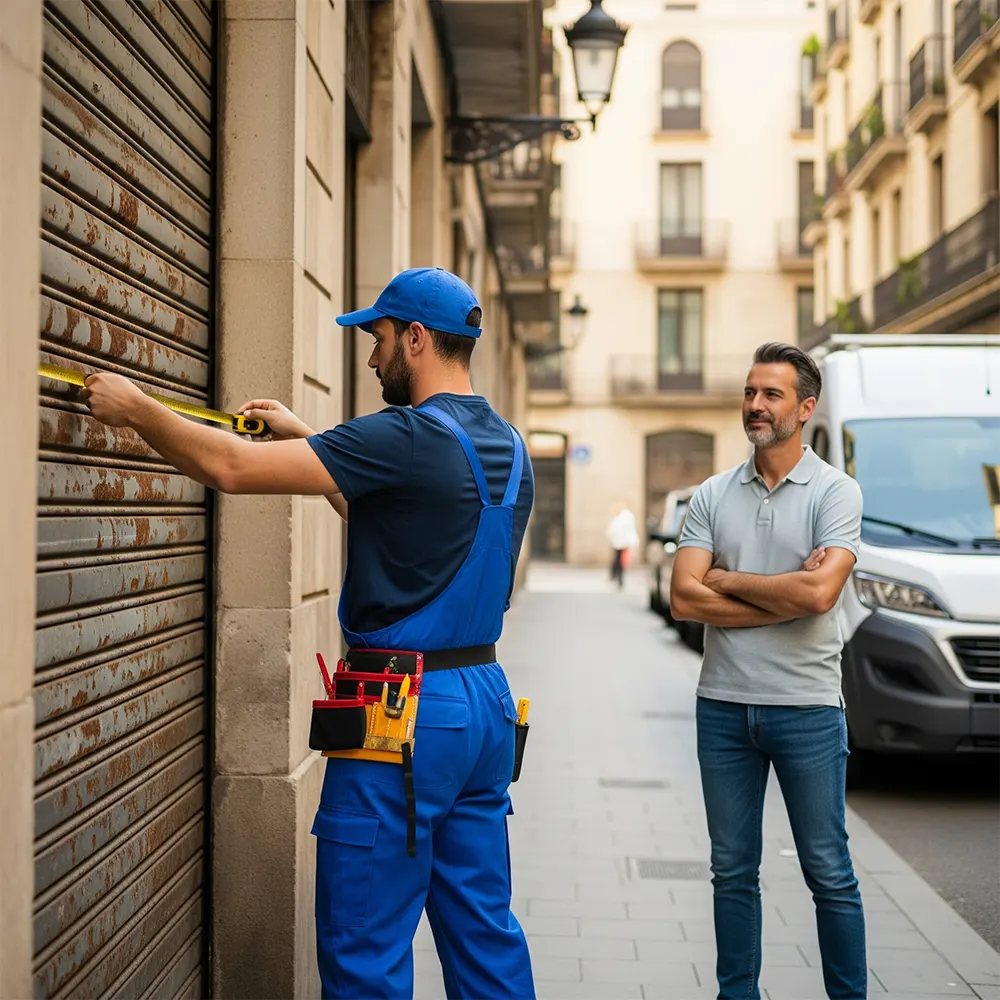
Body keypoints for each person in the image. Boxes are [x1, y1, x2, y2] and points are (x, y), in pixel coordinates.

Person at [82, 267, 536, 999]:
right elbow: (408, 537)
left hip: (402, 713)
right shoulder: (510, 445)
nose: (371, 358)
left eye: (380, 339)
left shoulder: (408, 433)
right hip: (483, 704)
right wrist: (308, 441)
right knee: (486, 940)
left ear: (416, 339)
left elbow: (231, 466)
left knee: (365, 951)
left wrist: (137, 409)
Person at [669, 342, 866, 1000]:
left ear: (805, 409)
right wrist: (778, 595)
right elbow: (683, 598)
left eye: (772, 394)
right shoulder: (712, 493)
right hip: (722, 707)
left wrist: (726, 581)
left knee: (829, 872)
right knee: (731, 872)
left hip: (808, 708)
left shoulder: (837, 494)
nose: (755, 404)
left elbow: (819, 598)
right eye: (751, 392)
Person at [606, 502, 639, 589]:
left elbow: (624, 531)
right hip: (619, 543)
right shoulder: (621, 518)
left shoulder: (624, 518)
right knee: (618, 561)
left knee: (620, 561)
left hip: (622, 543)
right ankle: (616, 577)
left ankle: (618, 578)